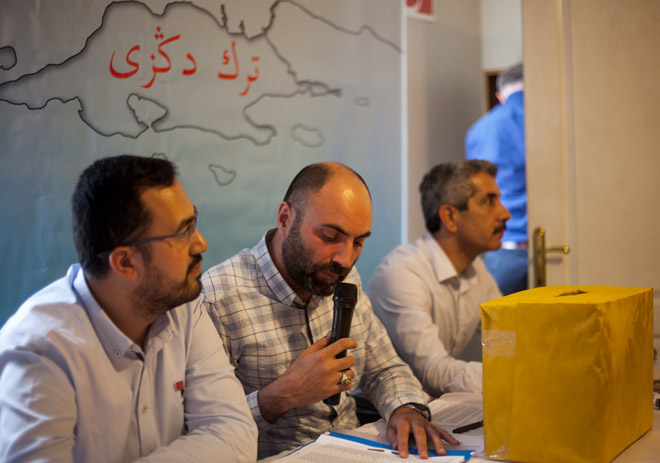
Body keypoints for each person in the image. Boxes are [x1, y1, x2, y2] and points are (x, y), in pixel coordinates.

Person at [0, 155, 258, 462]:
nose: (201, 243)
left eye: (195, 223)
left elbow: (234, 434)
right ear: (125, 263)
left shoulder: (182, 306)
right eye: (183, 233)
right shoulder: (39, 353)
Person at [202, 162, 460, 459]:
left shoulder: (342, 278)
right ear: (285, 219)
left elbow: (385, 368)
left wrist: (406, 408)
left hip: (354, 450)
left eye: (358, 242)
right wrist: (282, 395)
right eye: (329, 237)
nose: (345, 259)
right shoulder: (218, 299)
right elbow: (203, 429)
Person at [367, 161, 508, 396]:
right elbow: (433, 372)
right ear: (450, 217)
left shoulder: (476, 269)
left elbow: (505, 338)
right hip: (382, 410)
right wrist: (513, 381)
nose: (505, 213)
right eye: (489, 202)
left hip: (433, 403)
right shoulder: (403, 273)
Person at [465, 62, 528, 295]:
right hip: (557, 249)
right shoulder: (554, 120)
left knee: (497, 318)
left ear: (500, 96)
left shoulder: (479, 130)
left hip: (503, 248)